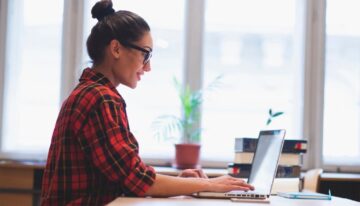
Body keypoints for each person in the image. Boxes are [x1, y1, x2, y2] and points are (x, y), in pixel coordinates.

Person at [40, 0, 254, 205]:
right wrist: (207, 184)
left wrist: (184, 183)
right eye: (146, 54)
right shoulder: (101, 98)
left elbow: (127, 177)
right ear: (116, 49)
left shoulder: (89, 92)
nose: (148, 67)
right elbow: (137, 180)